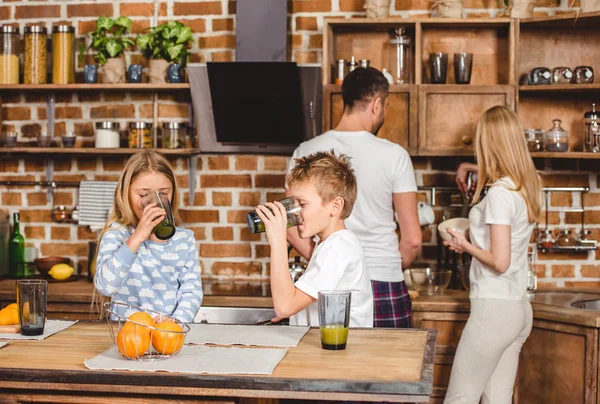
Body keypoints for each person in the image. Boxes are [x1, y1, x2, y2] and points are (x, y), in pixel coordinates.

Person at [287, 67, 421, 328]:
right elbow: (413, 240)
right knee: (390, 367)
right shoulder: (394, 155)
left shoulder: (305, 152)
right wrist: (387, 267)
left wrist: (325, 262)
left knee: (333, 366)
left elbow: (292, 228)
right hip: (384, 279)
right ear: (377, 104)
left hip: (326, 284)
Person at [443, 106, 542, 403]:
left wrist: (465, 245)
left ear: (489, 144)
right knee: (498, 400)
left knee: (460, 399)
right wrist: (470, 168)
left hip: (494, 310)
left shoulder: (499, 195)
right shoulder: (526, 185)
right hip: (518, 309)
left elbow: (500, 262)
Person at [257, 151, 373, 327]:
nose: (295, 213)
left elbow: (284, 306)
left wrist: (278, 241)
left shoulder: (337, 248)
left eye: (302, 204)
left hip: (340, 352)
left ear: (335, 206)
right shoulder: (331, 243)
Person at [95, 150, 203, 323]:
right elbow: (105, 287)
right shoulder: (117, 235)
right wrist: (137, 237)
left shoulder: (185, 240)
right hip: (129, 337)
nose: (154, 202)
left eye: (163, 193)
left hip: (167, 337)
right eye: (144, 195)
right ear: (126, 194)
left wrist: (175, 322)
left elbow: (192, 290)